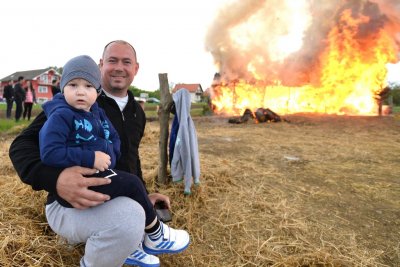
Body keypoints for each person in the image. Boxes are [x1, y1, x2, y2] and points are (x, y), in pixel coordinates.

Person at [9, 40, 189, 267]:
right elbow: (21, 145)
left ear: (136, 68)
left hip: (114, 190)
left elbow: (132, 159)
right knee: (130, 218)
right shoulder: (75, 102)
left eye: (126, 62)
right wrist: (55, 179)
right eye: (112, 61)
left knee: (135, 211)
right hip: (70, 202)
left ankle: (127, 242)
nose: (119, 67)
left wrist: (143, 194)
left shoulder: (137, 112)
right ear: (101, 64)